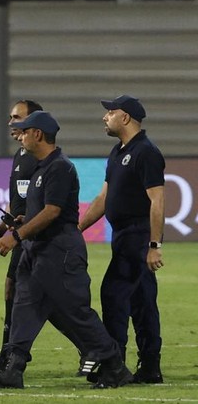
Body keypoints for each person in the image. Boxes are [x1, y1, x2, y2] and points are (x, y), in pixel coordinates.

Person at [0, 111, 133, 390]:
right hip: (37, 249)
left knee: (75, 312)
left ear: (38, 134)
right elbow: (42, 210)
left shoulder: (60, 167)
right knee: (25, 307)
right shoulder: (40, 168)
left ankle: (114, 364)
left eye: (24, 131)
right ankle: (14, 368)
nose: (20, 136)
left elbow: (53, 211)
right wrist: (23, 220)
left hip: (59, 251)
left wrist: (16, 236)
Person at [0, 100, 88, 379]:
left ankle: (9, 359)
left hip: (31, 237)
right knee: (28, 295)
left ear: (35, 128)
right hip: (20, 233)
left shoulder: (46, 162)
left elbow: (45, 208)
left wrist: (14, 234)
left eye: (19, 120)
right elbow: (19, 201)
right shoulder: (21, 155)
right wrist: (1, 228)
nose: (14, 125)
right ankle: (12, 359)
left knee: (28, 294)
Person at [78, 94, 165, 384]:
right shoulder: (118, 152)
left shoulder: (146, 152)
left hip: (137, 235)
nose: (105, 117)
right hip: (123, 236)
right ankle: (150, 366)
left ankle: (113, 366)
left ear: (125, 117)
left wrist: (154, 245)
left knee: (113, 295)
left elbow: (157, 201)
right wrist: (77, 228)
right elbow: (103, 198)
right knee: (142, 301)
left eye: (110, 112)